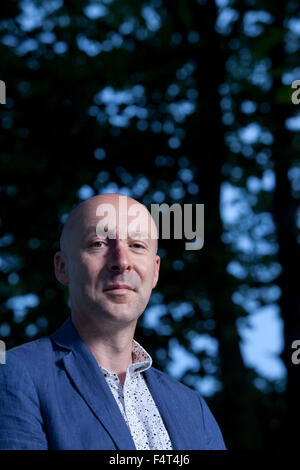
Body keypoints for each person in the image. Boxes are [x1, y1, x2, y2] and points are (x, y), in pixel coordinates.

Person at [0, 194, 226, 450]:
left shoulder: (192, 407)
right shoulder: (16, 374)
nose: (121, 261)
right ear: (62, 267)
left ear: (155, 271)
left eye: (138, 245)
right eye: (97, 243)